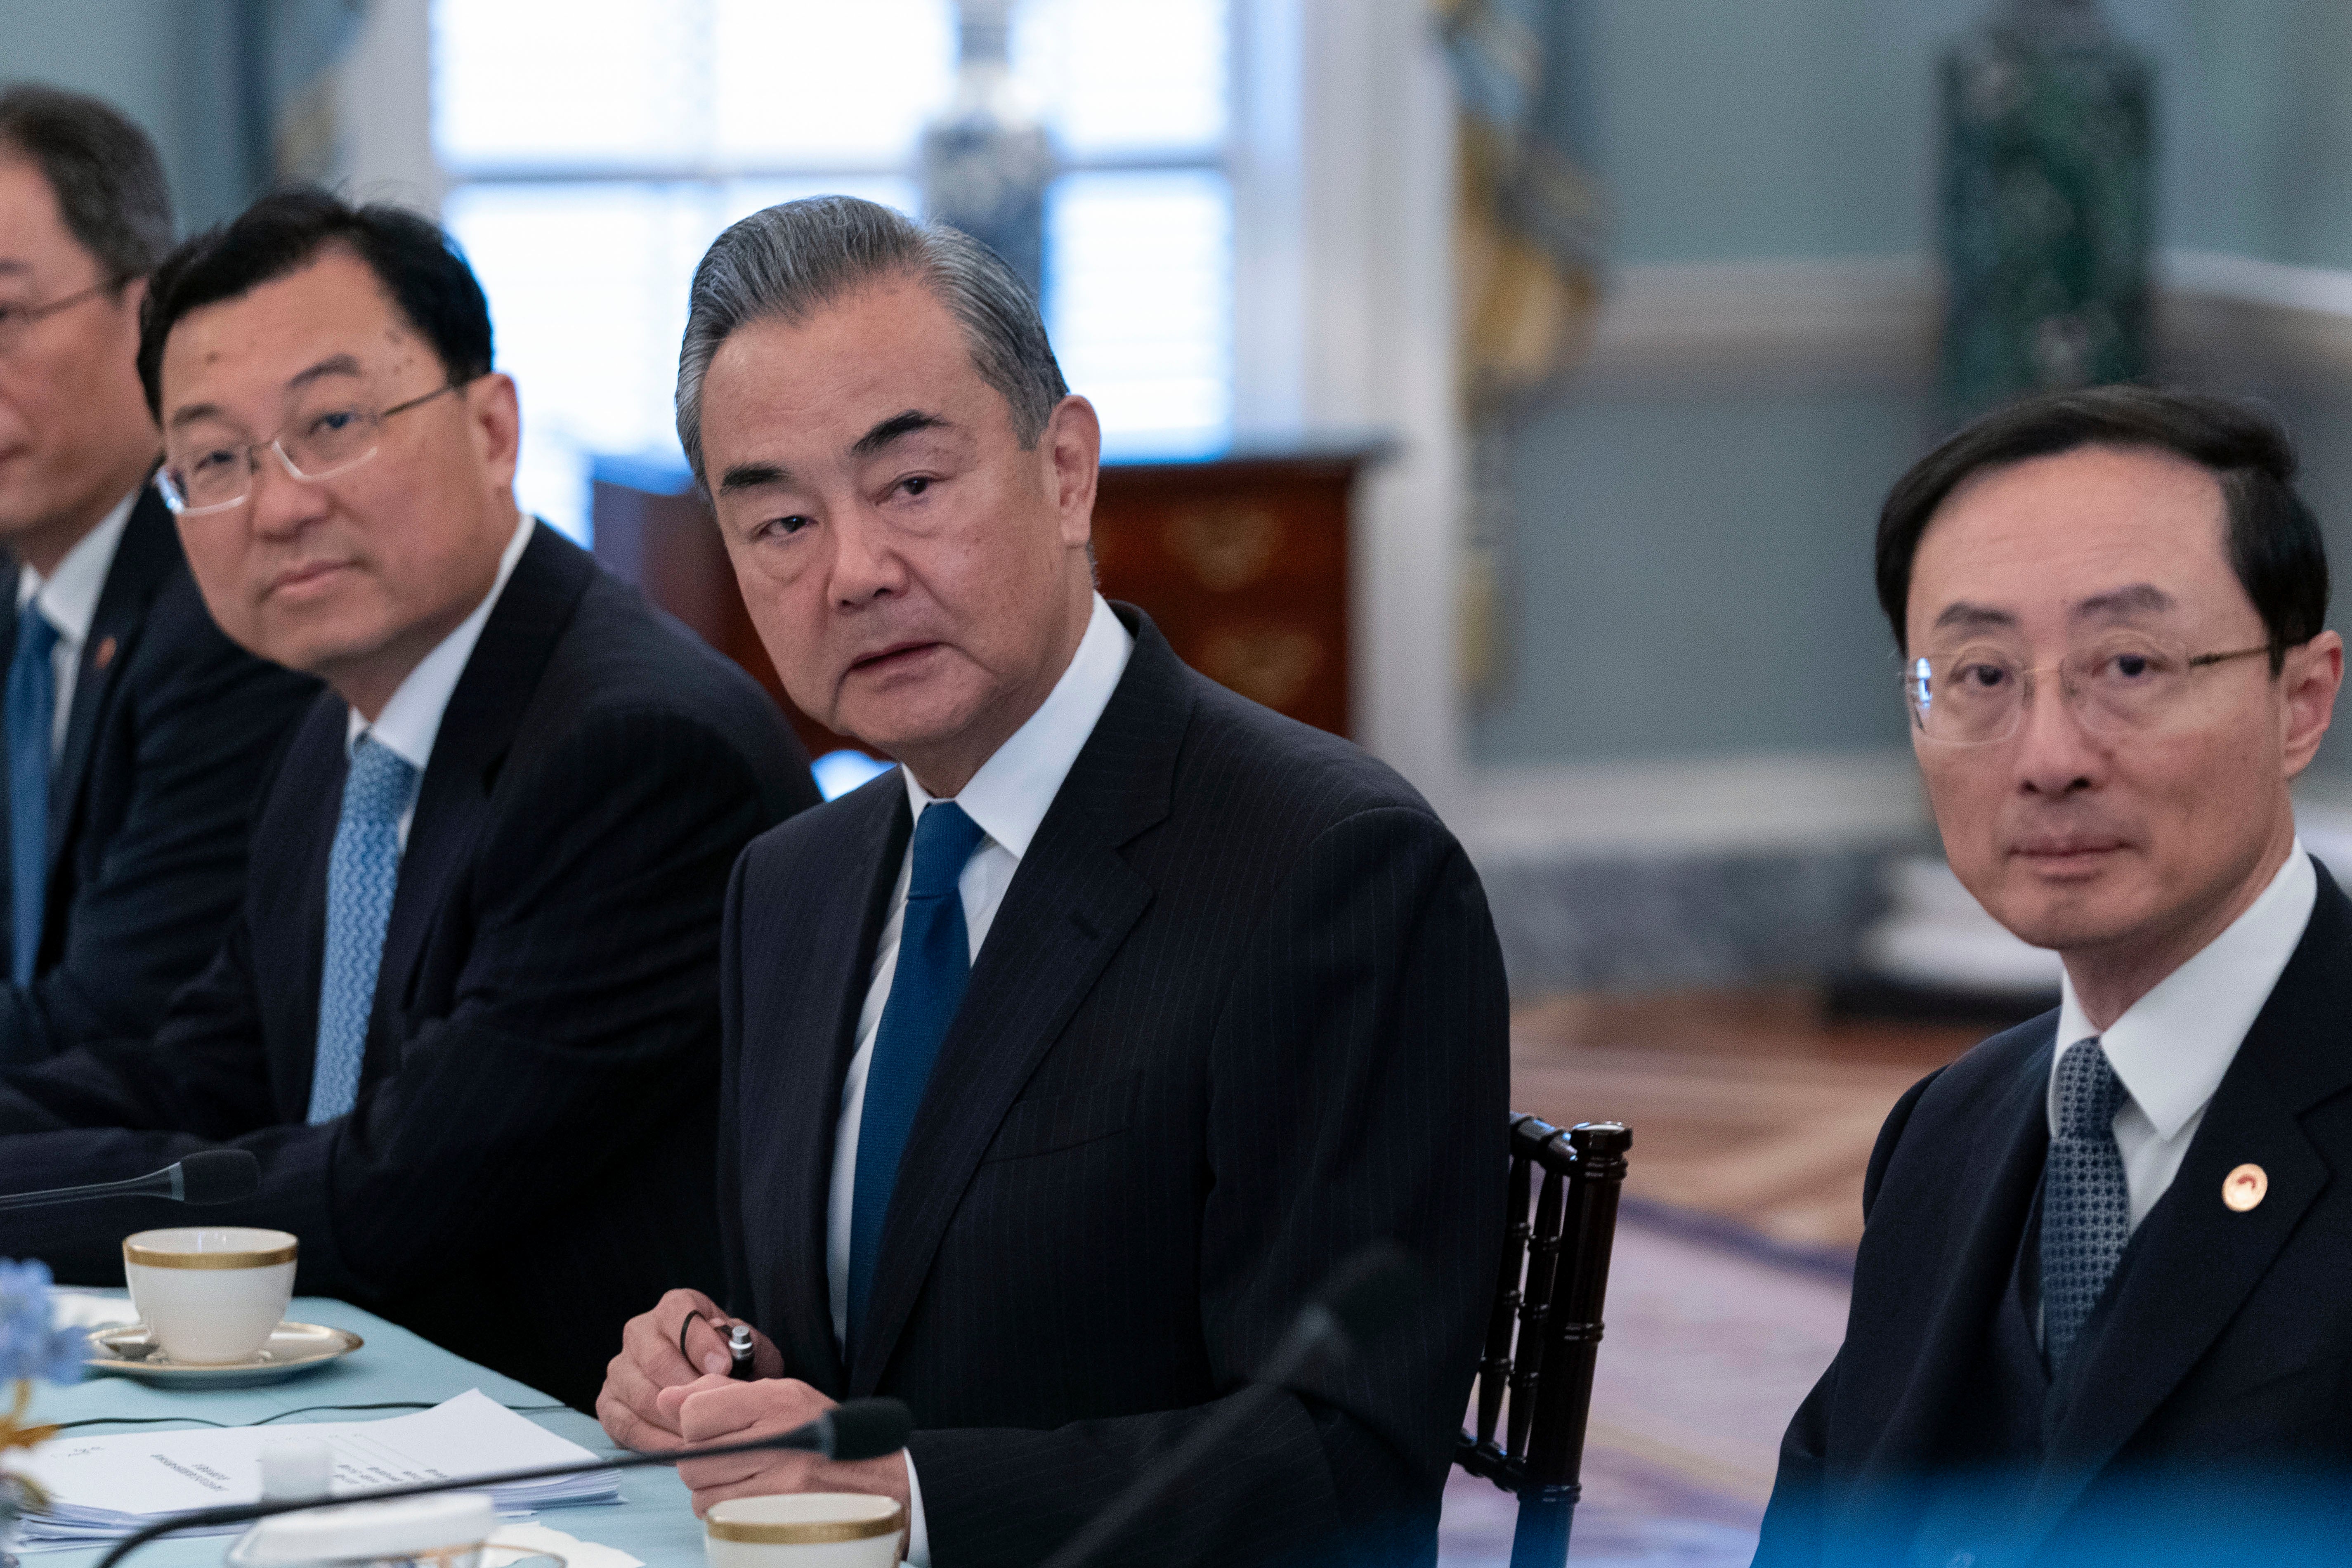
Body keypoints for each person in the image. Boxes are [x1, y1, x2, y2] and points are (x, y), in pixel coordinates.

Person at [595, 196, 1508, 1567]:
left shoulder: (1331, 871)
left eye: (911, 487)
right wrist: (711, 1360)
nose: (855, 573)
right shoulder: (789, 886)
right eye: (781, 523)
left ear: (1067, 470)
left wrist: (904, 1494)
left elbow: (1344, 1460)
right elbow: (865, 1326)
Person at [0, 190, 817, 1410]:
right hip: (378, 1428)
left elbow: (384, 1190)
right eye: (214, 461)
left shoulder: (635, 752)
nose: (279, 505)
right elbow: (188, 1073)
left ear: (493, 427)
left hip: (592, 1466)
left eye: (332, 423)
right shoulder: (341, 729)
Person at [1756, 386, 2349, 1566]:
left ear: (2300, 702)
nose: (2046, 759)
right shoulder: (1948, 1131)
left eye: (2126, 664)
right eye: (1976, 677)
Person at [0, 85, 316, 1064]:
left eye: (6, 313)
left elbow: (115, 1025)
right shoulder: (25, 594)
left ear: (147, 317)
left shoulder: (225, 608)